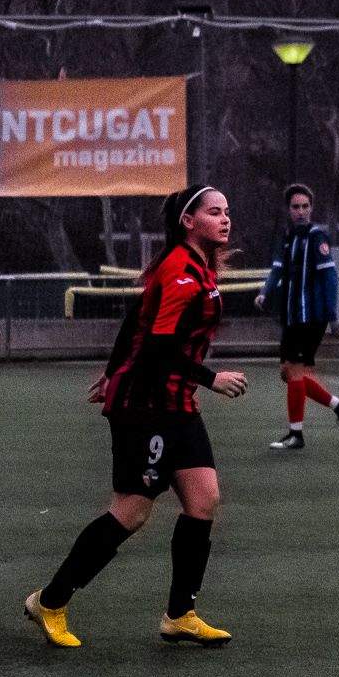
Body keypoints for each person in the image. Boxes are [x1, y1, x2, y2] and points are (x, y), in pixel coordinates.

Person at [25, 184, 247, 648]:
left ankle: (180, 615)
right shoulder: (179, 268)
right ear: (188, 221)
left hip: (176, 403)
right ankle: (50, 601)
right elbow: (159, 347)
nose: (225, 219)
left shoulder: (201, 267)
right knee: (132, 511)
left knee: (203, 500)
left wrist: (110, 371)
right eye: (214, 212)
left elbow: (136, 318)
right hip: (145, 406)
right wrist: (210, 379)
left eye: (226, 211)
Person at [255, 183, 339, 449]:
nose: (301, 211)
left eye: (305, 206)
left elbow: (330, 277)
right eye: (296, 207)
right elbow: (277, 270)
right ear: (288, 210)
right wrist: (264, 292)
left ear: (311, 208)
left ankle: (296, 435)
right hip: (291, 316)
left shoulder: (316, 237)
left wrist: (332, 317)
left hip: (311, 317)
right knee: (288, 373)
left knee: (296, 372)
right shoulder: (288, 237)